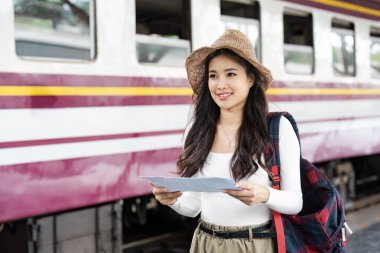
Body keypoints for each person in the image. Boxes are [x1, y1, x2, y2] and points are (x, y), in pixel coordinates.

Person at [152, 29, 303, 253]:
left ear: (250, 78)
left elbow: (295, 203)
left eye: (230, 74)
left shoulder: (277, 128)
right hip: (206, 243)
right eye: (213, 76)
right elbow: (193, 206)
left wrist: (264, 194)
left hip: (256, 244)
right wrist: (172, 200)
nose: (220, 84)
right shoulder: (196, 131)